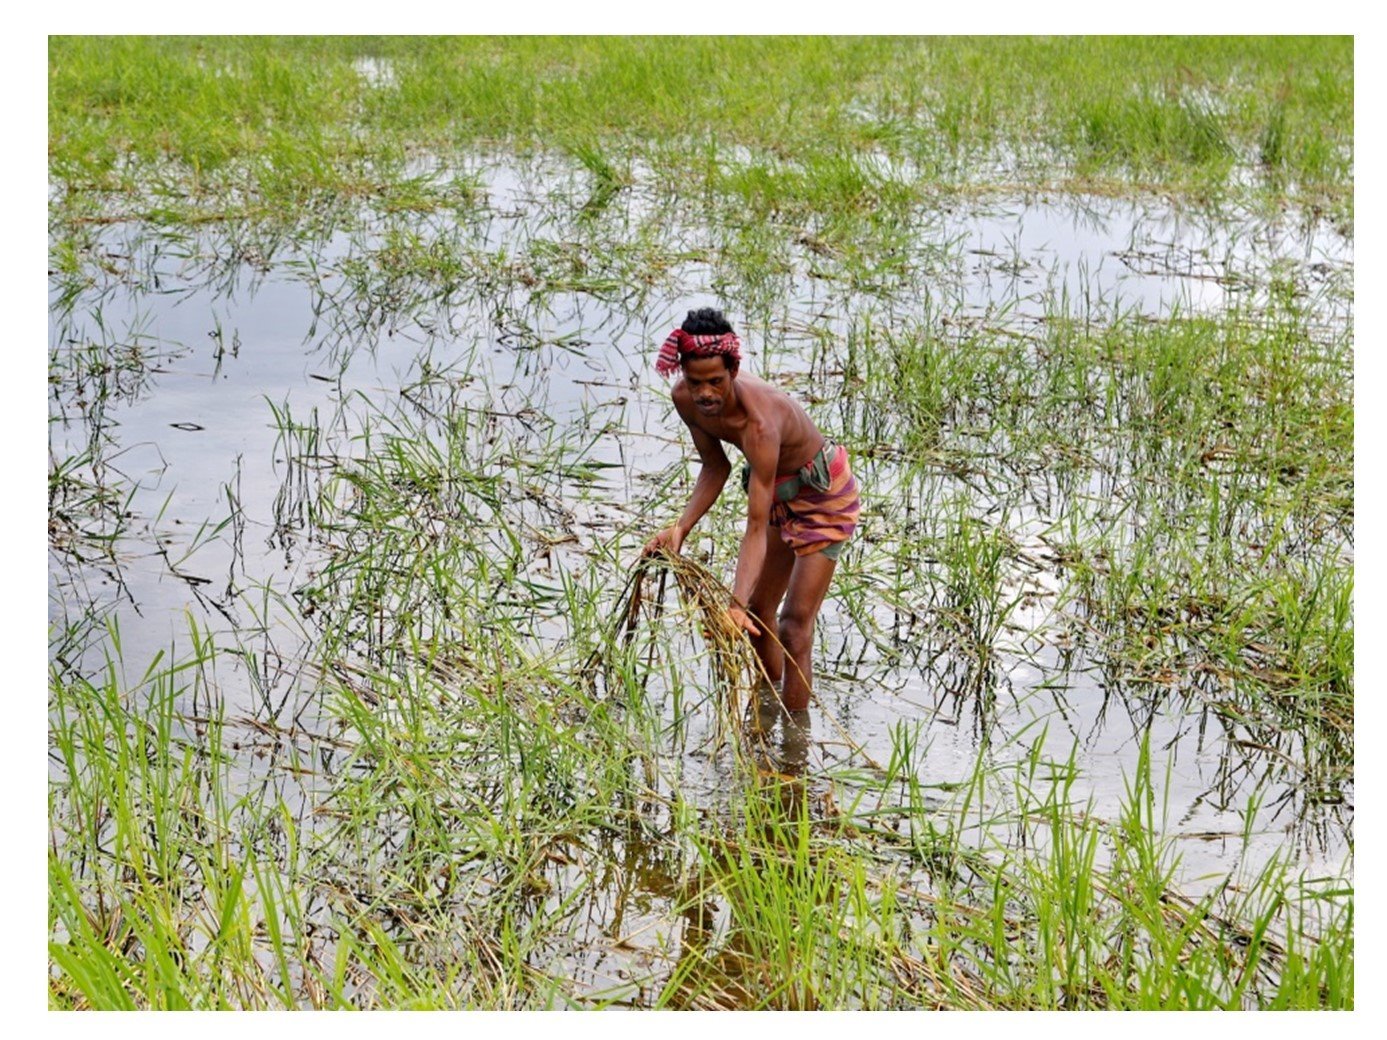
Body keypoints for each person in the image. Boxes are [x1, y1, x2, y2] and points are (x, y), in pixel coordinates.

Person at [642, 308, 861, 712]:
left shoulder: (760, 425)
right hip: (778, 487)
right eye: (695, 382)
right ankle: (766, 710)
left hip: (822, 495)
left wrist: (733, 605)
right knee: (761, 617)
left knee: (794, 628)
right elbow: (716, 466)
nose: (705, 393)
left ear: (734, 370)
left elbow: (756, 528)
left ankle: (794, 750)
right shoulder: (684, 400)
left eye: (716, 382)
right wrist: (680, 530)